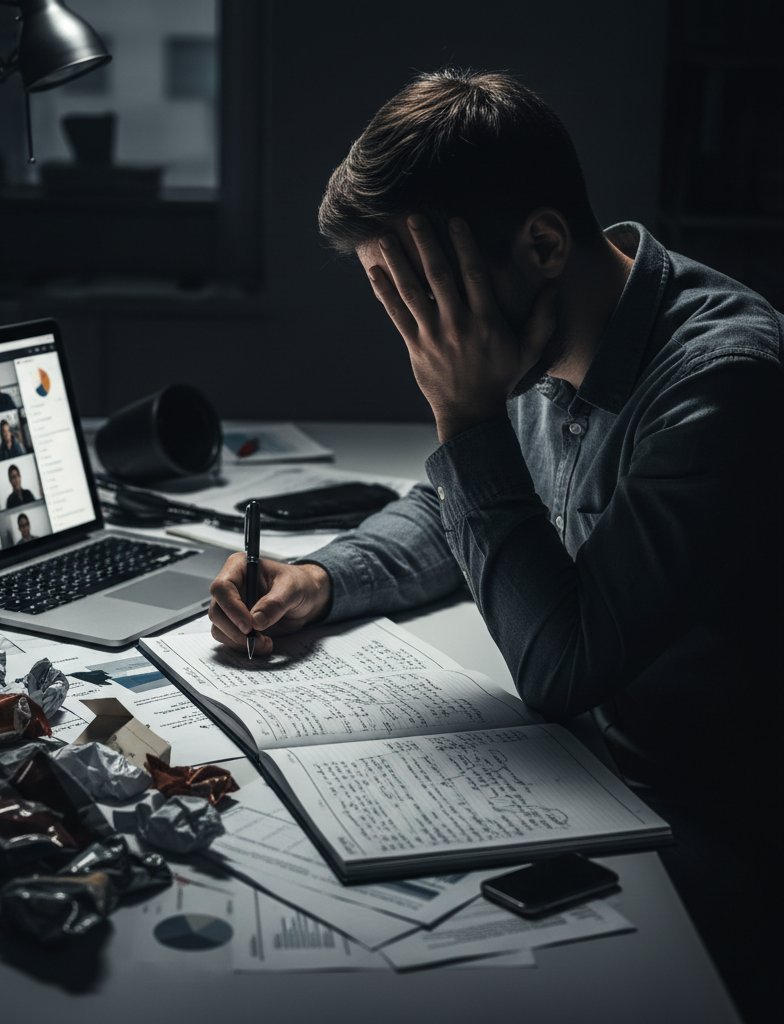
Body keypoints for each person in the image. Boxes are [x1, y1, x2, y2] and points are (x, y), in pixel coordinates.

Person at [207, 69, 782, 1020]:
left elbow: (565, 666)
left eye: (427, 299)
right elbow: (462, 510)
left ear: (544, 244)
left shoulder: (720, 386)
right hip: (592, 776)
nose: (421, 338)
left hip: (715, 818)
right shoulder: (544, 327)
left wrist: (461, 412)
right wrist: (319, 576)